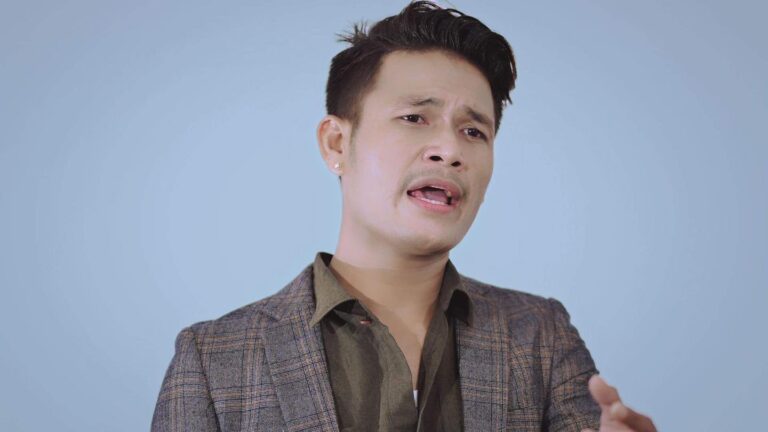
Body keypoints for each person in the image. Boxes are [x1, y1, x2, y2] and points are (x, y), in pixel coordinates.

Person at [151, 2, 656, 431]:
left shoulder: (540, 335)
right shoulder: (214, 359)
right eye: (415, 118)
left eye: (474, 131)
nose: (449, 150)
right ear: (337, 143)